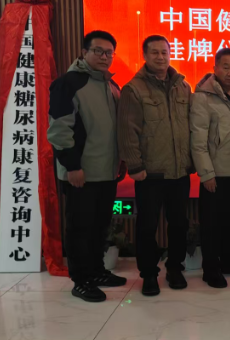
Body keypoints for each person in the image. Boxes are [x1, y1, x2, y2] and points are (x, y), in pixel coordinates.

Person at [48, 30, 127, 302]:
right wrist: (72, 166)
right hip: (81, 173)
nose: (104, 57)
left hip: (107, 171)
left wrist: (120, 161)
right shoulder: (69, 83)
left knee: (100, 226)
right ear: (84, 52)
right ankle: (81, 280)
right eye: (98, 51)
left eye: (109, 53)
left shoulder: (110, 85)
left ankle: (96, 271)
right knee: (80, 228)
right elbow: (59, 130)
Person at [118, 35, 194, 297]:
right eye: (155, 53)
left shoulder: (183, 86)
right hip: (149, 172)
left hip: (179, 172)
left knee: (179, 224)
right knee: (147, 226)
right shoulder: (134, 89)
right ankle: (149, 274)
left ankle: (175, 268)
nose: (161, 57)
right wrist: (135, 165)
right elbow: (127, 131)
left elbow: (190, 127)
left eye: (165, 52)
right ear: (145, 56)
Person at [190, 48, 230, 289]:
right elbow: (198, 141)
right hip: (215, 174)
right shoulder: (202, 98)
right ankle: (211, 269)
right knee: (211, 224)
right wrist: (206, 173)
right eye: (225, 67)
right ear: (215, 68)